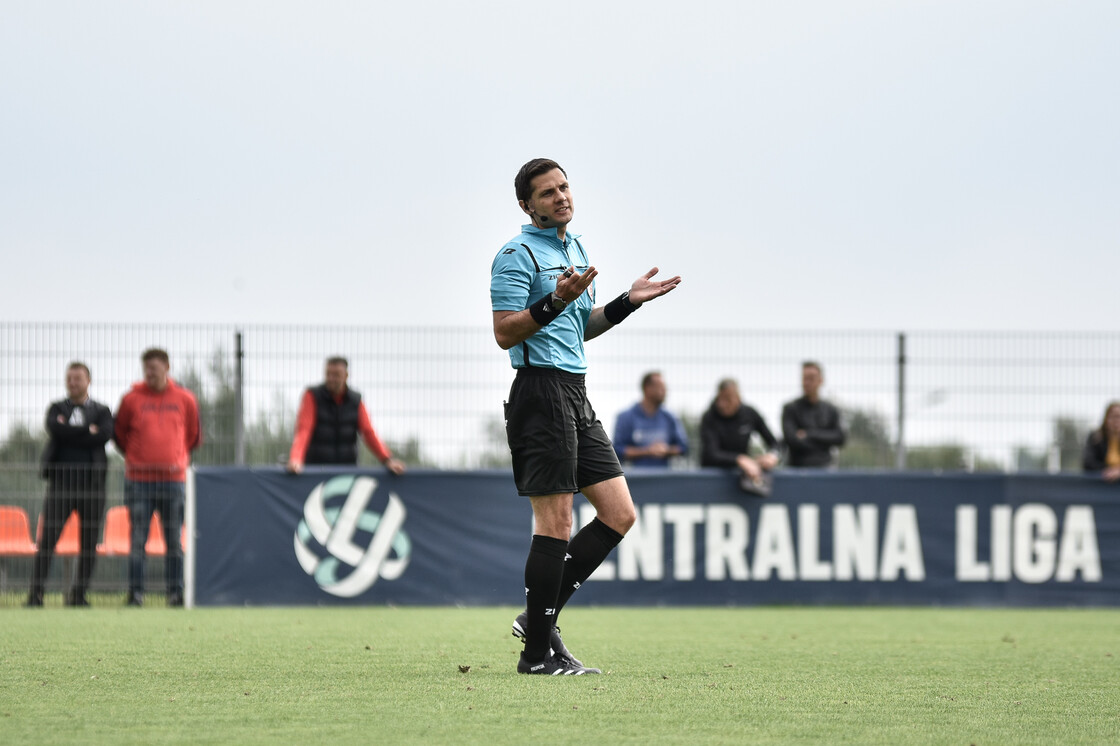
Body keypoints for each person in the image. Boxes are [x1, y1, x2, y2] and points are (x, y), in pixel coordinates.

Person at [491, 157, 681, 675]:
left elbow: (581, 328)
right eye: (548, 192)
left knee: (619, 513)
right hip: (539, 392)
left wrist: (626, 303)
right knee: (555, 521)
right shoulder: (515, 255)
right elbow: (505, 332)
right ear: (527, 205)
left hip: (575, 391)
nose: (561, 197)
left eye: (565, 187)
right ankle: (535, 657)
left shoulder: (575, 248)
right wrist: (553, 302)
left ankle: (538, 620)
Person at [113, 348, 201, 607]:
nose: (150, 373)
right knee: (137, 539)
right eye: (147, 369)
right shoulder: (131, 399)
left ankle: (175, 594)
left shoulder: (185, 399)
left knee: (174, 540)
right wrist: (138, 456)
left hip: (174, 481)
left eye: (155, 368)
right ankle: (136, 594)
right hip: (138, 480)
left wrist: (174, 458)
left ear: (167, 367)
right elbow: (120, 434)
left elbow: (193, 436)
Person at [26, 362, 114, 607]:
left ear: (88, 381)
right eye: (69, 378)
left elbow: (105, 434)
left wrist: (72, 431)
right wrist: (88, 431)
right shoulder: (56, 408)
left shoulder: (102, 410)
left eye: (78, 378)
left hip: (93, 486)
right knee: (47, 541)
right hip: (61, 484)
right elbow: (55, 429)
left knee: (89, 543)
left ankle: (78, 595)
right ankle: (36, 594)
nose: (73, 383)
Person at [286, 357, 406, 476]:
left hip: (347, 472)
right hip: (316, 470)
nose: (331, 379)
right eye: (328, 374)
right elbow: (304, 429)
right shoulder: (312, 396)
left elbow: (368, 432)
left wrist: (387, 460)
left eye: (336, 375)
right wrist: (296, 458)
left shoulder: (356, 401)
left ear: (346, 375)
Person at [700, 378, 780, 494]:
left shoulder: (749, 414)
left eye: (728, 399)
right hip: (713, 479)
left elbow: (775, 443)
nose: (723, 404)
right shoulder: (709, 417)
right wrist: (740, 459)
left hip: (743, 481)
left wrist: (772, 456)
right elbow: (711, 453)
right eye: (720, 399)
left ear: (738, 397)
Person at [613, 371, 688, 467]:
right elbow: (618, 450)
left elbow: (683, 447)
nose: (664, 391)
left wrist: (666, 450)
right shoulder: (626, 417)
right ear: (647, 389)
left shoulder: (670, 417)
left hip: (664, 478)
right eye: (660, 387)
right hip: (634, 478)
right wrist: (647, 451)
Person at [781, 361, 846, 468]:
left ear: (820, 380)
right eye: (804, 378)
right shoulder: (790, 408)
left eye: (811, 378)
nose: (807, 383)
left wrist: (808, 434)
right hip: (797, 468)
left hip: (825, 467)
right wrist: (824, 441)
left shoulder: (831, 410)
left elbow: (840, 437)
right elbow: (791, 439)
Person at [1082, 401, 1120, 482]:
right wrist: (1109, 471)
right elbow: (1088, 462)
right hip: (1099, 484)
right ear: (1106, 419)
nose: (1117, 421)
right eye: (1114, 417)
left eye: (1119, 417)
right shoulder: (1095, 438)